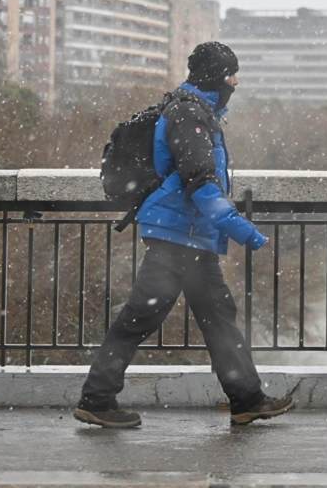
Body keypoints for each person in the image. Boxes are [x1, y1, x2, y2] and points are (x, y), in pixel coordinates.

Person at [74, 41, 294, 429]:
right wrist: (245, 232)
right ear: (215, 76)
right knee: (142, 317)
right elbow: (201, 183)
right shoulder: (190, 115)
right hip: (178, 235)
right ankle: (97, 399)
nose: (236, 82)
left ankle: (247, 399)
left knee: (216, 315)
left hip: (188, 236)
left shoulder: (196, 110)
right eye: (231, 74)